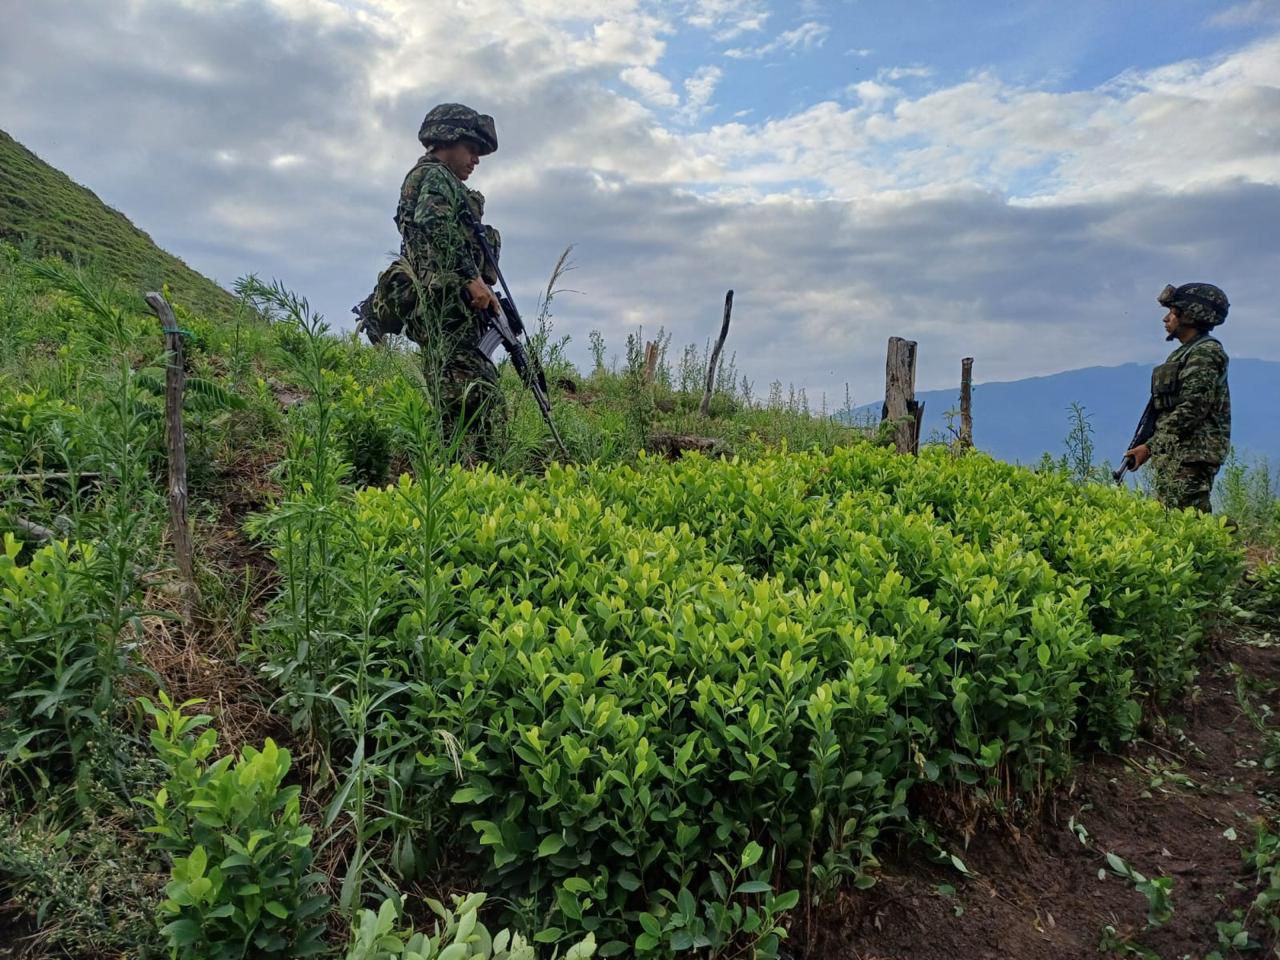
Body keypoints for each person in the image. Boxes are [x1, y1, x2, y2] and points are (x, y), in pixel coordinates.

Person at [378, 102, 505, 462]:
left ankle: (465, 473)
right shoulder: (435, 176)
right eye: (472, 149)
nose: (476, 160)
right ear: (448, 140)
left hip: (447, 307)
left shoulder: (434, 178)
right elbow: (435, 225)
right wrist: (471, 279)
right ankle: (467, 476)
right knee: (471, 396)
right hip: (444, 310)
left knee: (469, 395)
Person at [1125, 282, 1231, 512]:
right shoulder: (1185, 353)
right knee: (1173, 519)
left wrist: (1150, 446)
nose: (1166, 319)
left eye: (1172, 312)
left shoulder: (1205, 353)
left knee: (1189, 521)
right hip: (1178, 453)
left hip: (1193, 454)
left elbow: (1192, 408)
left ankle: (1230, 545)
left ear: (1190, 316)